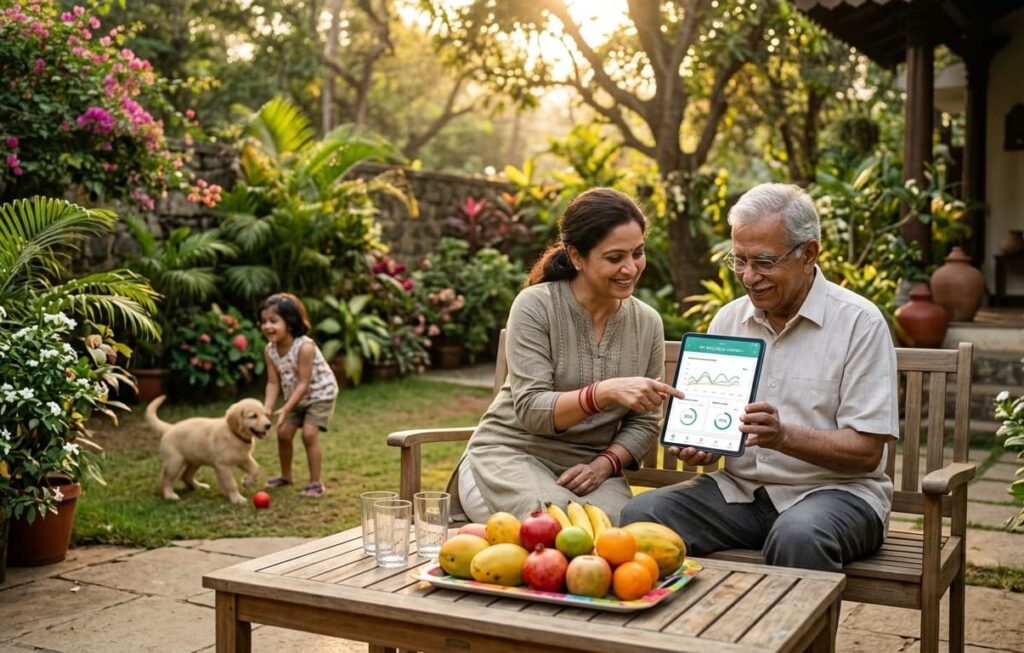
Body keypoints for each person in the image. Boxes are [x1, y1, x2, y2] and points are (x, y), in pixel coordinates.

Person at [621, 183, 899, 572]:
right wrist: (703, 444)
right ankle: (685, 633)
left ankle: (792, 636)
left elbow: (867, 450)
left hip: (837, 494)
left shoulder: (859, 323)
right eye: (739, 261)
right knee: (642, 514)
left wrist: (783, 436)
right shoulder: (729, 320)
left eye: (765, 262)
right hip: (741, 494)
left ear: (810, 253)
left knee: (798, 535)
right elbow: (714, 425)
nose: (749, 277)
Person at [449, 187, 683, 524]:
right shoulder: (536, 306)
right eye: (615, 258)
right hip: (510, 458)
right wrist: (603, 392)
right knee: (557, 528)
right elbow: (531, 409)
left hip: (592, 470)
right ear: (576, 256)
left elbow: (644, 420)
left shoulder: (647, 322)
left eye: (638, 253)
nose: (631, 268)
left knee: (625, 535)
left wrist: (604, 464)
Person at [259, 293, 339, 498]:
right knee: (283, 433)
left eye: (273, 321)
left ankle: (315, 483)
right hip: (296, 396)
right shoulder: (270, 350)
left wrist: (285, 408)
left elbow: (304, 383)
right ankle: (286, 476)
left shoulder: (305, 347)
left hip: (321, 394)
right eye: (264, 321)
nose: (267, 326)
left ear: (291, 323)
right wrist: (266, 408)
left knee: (309, 435)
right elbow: (272, 382)